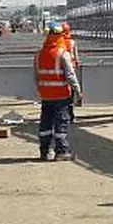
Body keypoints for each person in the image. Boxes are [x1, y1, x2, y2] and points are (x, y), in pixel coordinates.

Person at [34, 22, 81, 161]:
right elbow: (70, 75)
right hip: (61, 95)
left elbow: (36, 76)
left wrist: (41, 91)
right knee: (61, 123)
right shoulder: (62, 54)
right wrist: (77, 90)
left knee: (45, 123)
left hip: (46, 96)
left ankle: (44, 151)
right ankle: (61, 151)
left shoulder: (38, 54)